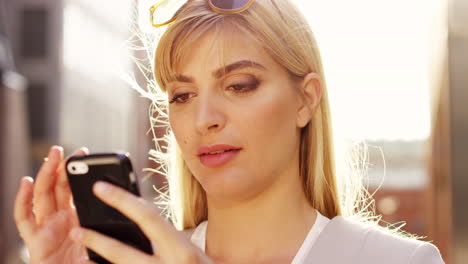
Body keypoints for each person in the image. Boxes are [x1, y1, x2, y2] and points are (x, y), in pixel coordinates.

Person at [14, 0, 445, 263]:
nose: (204, 119)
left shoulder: (401, 261)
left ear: (305, 100)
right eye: (182, 95)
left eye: (239, 86)